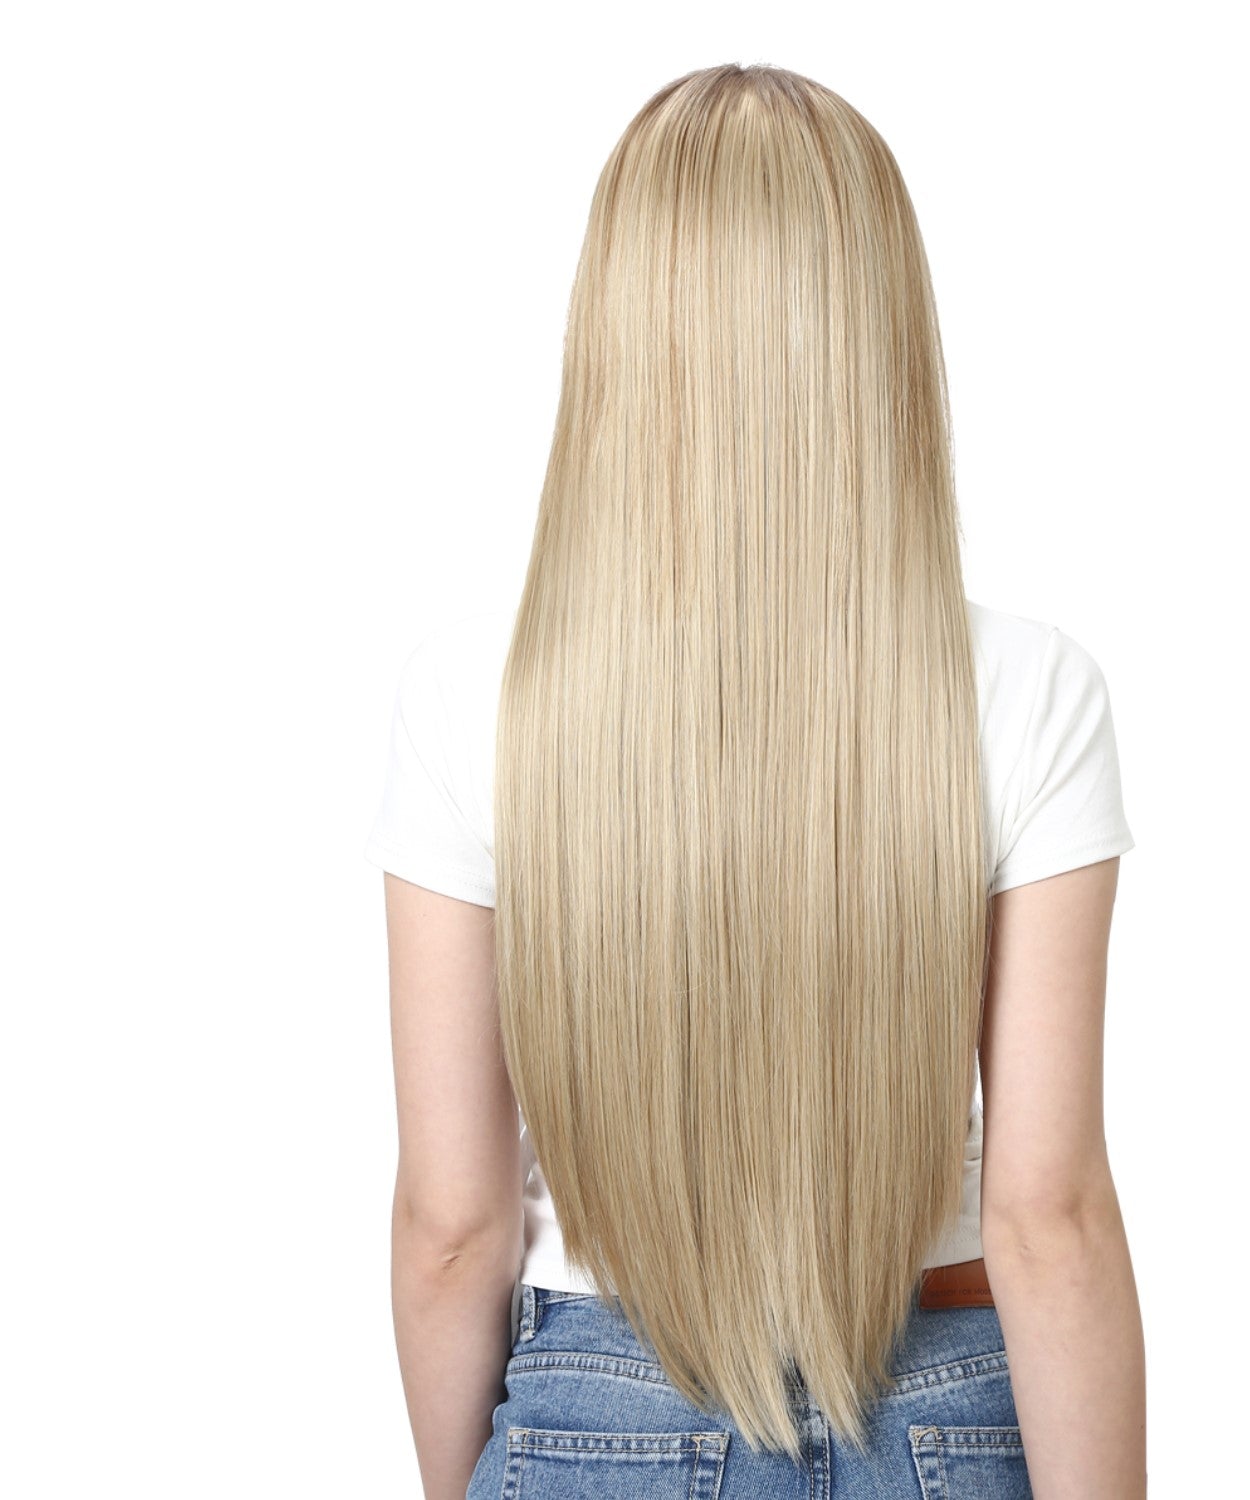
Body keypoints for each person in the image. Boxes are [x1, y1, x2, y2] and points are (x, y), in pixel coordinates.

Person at [366, 61, 1147, 1500]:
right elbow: (1048, 1219)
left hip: (594, 1411)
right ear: (879, 329)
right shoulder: (1029, 691)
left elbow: (450, 1228)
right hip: (946, 1408)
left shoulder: (478, 696)